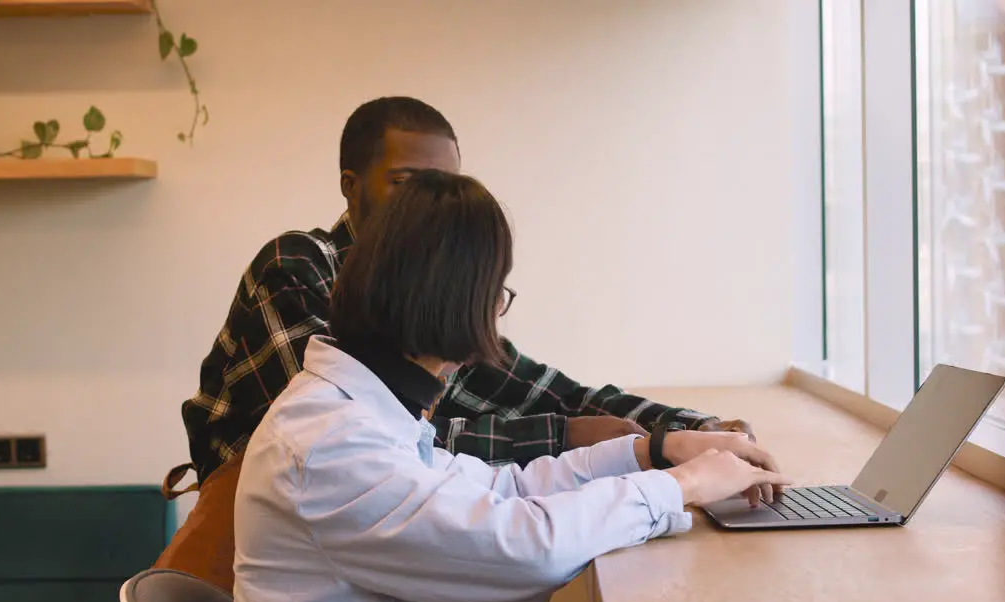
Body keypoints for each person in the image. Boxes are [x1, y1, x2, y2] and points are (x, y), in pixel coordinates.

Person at [231, 170, 789, 602]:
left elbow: (504, 489)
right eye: (498, 291)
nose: (497, 311)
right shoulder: (332, 444)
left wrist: (653, 453)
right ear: (457, 295)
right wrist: (681, 486)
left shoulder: (358, 409)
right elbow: (519, 550)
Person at [181, 95, 751, 484]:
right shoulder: (298, 264)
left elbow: (542, 389)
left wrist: (691, 428)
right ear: (351, 188)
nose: (428, 204)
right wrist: (577, 441)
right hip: (272, 557)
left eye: (446, 186)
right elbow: (356, 443)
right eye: (408, 183)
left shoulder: (426, 290)